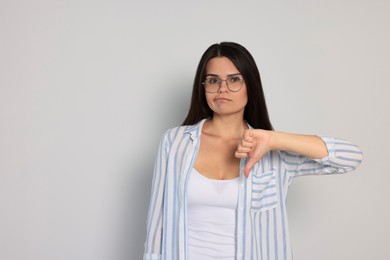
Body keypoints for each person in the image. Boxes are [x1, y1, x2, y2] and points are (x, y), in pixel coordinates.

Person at [143, 42, 363, 260]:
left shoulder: (273, 152)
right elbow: (157, 225)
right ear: (203, 87)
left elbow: (351, 157)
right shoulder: (175, 142)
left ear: (251, 86)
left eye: (234, 79)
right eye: (213, 80)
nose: (222, 89)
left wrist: (274, 138)